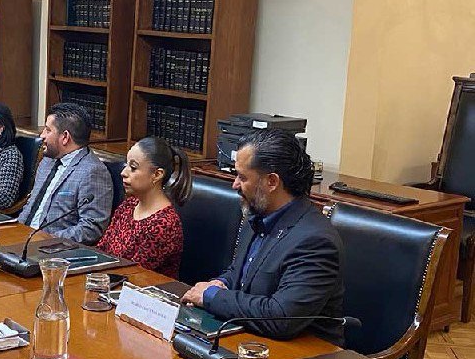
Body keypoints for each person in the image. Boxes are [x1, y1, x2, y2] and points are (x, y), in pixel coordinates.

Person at [181, 128, 345, 344]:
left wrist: (212, 296)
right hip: (250, 338)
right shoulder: (258, 215)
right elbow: (240, 274)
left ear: (272, 182)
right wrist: (220, 283)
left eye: (242, 177)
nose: (235, 185)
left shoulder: (315, 241)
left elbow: (281, 317)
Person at [17, 102, 113, 244]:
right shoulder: (47, 161)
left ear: (65, 137)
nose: (42, 135)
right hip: (22, 237)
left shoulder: (93, 172)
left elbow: (91, 228)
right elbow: (31, 205)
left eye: (48, 130)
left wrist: (46, 239)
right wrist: (15, 231)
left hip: (52, 249)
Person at [97, 136, 192, 277]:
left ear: (157, 174)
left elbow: (131, 274)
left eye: (133, 168)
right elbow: (102, 250)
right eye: (126, 165)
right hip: (109, 284)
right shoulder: (129, 205)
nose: (123, 173)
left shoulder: (164, 224)